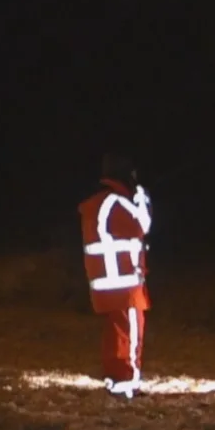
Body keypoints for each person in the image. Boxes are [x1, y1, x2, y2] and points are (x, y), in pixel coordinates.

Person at [77, 153, 153, 398]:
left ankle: (116, 380)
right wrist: (142, 200)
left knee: (115, 334)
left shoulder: (98, 202)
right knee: (130, 333)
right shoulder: (116, 202)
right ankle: (126, 384)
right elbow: (142, 225)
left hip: (106, 282)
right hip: (123, 282)